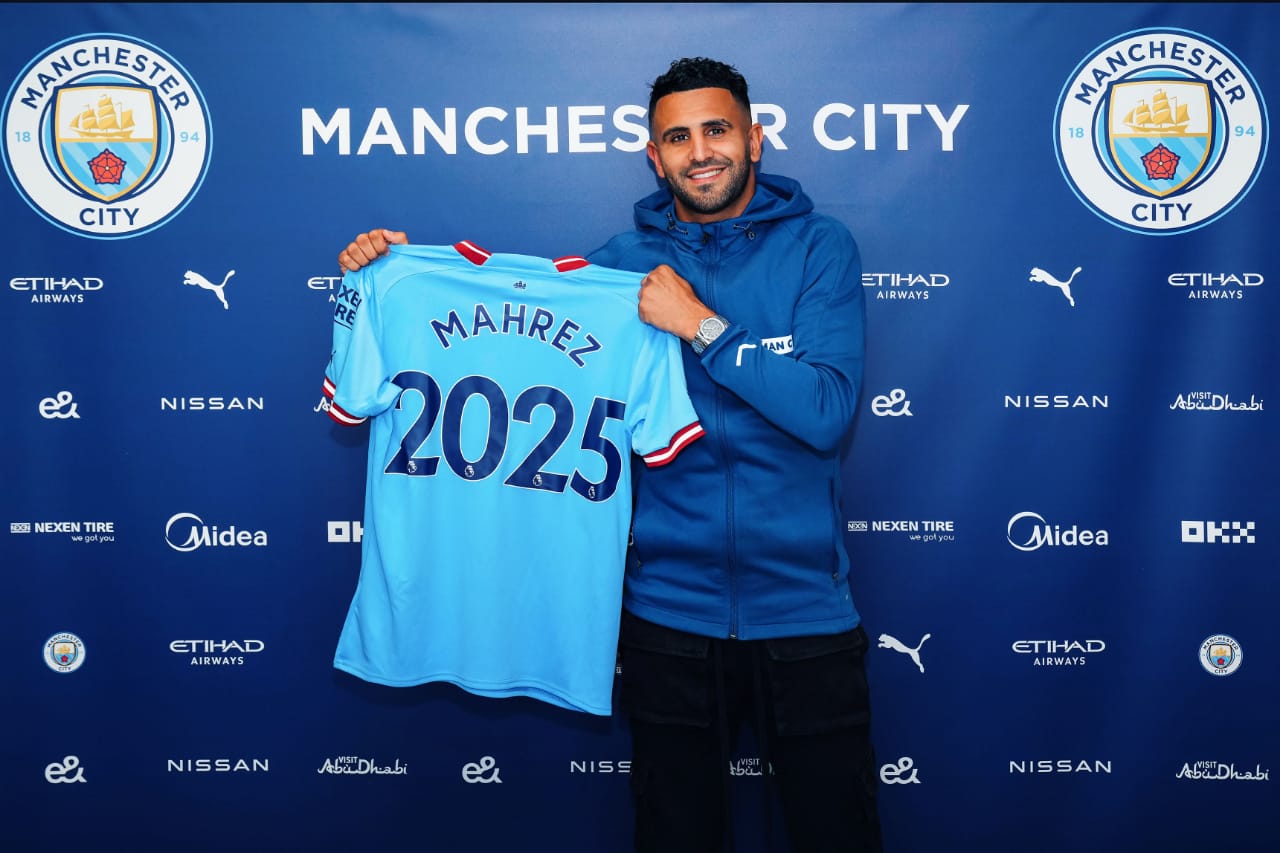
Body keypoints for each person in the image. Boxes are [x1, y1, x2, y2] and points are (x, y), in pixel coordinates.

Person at [337, 57, 881, 853]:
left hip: (806, 614)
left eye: (718, 130)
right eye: (678, 137)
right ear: (655, 157)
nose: (701, 151)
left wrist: (701, 325)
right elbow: (507, 356)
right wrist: (386, 277)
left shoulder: (820, 247)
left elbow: (826, 411)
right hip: (666, 617)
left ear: (755, 139)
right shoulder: (614, 268)